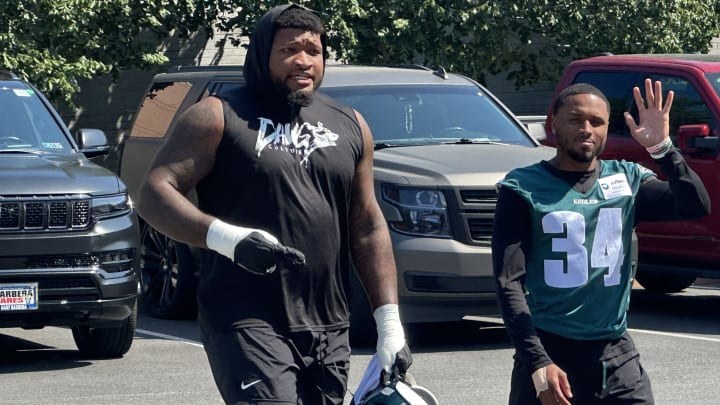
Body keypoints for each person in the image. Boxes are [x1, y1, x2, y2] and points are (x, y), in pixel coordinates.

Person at [136, 4, 411, 404]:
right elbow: (154, 194)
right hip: (245, 319)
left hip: (328, 324)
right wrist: (227, 238)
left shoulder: (350, 123)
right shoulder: (218, 116)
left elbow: (367, 225)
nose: (303, 61)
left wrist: (389, 325)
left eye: (313, 51)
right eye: (288, 50)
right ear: (262, 55)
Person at [491, 80, 710, 405]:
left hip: (614, 353)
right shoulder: (522, 188)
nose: (586, 129)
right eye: (576, 120)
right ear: (553, 124)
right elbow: (508, 282)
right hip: (551, 350)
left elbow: (695, 205)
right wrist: (536, 359)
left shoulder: (625, 179)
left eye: (596, 122)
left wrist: (663, 148)